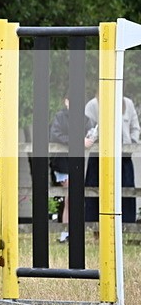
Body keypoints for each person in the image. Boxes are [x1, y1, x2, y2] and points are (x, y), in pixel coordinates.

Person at [49, 94, 94, 243]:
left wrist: (91, 138)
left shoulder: (84, 119)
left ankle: (70, 233)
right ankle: (65, 233)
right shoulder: (60, 117)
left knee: (72, 198)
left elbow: (91, 132)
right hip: (62, 163)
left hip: (77, 163)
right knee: (69, 198)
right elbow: (55, 135)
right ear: (66, 101)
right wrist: (78, 141)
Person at [83, 93, 140, 188]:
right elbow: (85, 128)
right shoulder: (93, 105)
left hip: (123, 157)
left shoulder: (128, 103)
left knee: (126, 191)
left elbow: (135, 127)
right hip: (98, 156)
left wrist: (131, 144)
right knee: (94, 190)